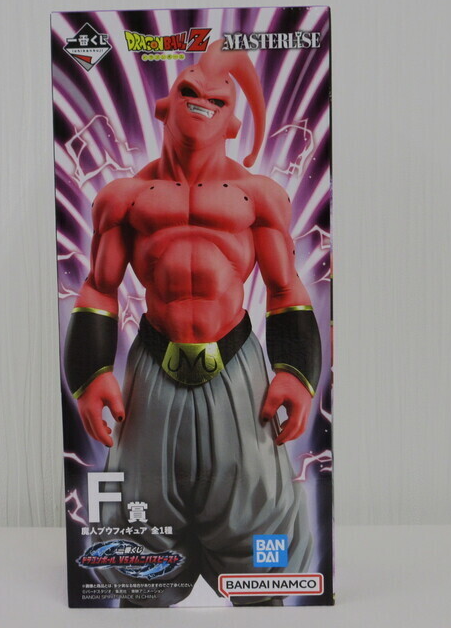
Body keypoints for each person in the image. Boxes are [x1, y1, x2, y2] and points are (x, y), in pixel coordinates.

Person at [64, 40, 321, 607]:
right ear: (164, 106)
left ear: (233, 125)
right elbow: (100, 288)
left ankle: (261, 596)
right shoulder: (122, 199)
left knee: (260, 518)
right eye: (189, 89)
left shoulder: (261, 197)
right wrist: (90, 374)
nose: (203, 98)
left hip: (238, 368)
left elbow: (285, 289)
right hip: (153, 367)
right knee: (138, 531)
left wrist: (297, 373)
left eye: (219, 99)